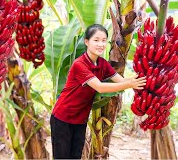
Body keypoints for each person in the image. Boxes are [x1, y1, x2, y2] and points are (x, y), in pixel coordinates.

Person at [50, 24, 146, 159]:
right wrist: (129, 84)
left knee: (75, 157)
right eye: (96, 40)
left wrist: (141, 80)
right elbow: (99, 87)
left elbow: (120, 80)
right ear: (87, 42)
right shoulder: (80, 64)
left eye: (104, 40)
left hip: (80, 120)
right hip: (62, 117)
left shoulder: (102, 64)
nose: (100, 44)